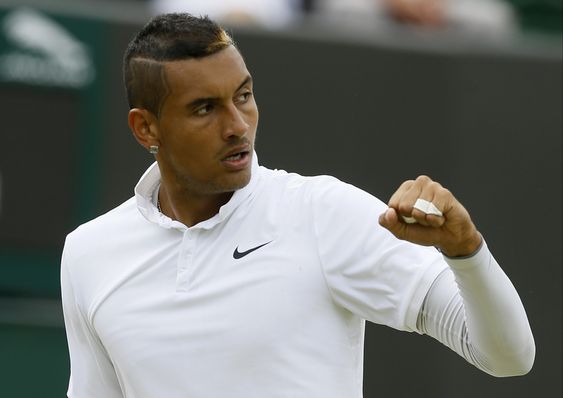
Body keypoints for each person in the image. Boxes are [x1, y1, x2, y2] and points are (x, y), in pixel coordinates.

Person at [60, 13, 535, 398]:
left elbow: (508, 358)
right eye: (205, 108)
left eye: (243, 96)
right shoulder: (88, 253)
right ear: (146, 128)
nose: (237, 126)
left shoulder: (323, 213)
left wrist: (466, 251)